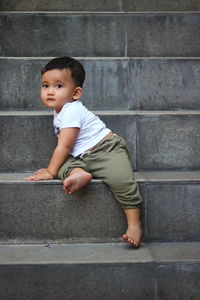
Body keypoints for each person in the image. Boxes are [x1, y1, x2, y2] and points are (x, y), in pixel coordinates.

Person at [25, 56, 143, 247]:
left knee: (121, 180)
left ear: (76, 92)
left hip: (107, 150)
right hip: (82, 156)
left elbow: (63, 146)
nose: (50, 91)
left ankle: (134, 224)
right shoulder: (60, 111)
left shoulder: (71, 110)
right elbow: (68, 148)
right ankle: (78, 173)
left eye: (58, 86)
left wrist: (50, 171)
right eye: (45, 86)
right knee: (66, 165)